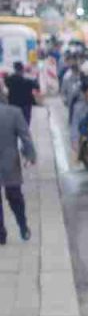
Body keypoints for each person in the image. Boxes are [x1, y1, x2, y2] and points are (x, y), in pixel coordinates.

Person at [0, 92, 33, 243]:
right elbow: (25, 137)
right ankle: (23, 225)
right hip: (10, 160)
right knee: (15, 196)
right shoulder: (14, 112)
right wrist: (30, 155)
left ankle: (1, 233)